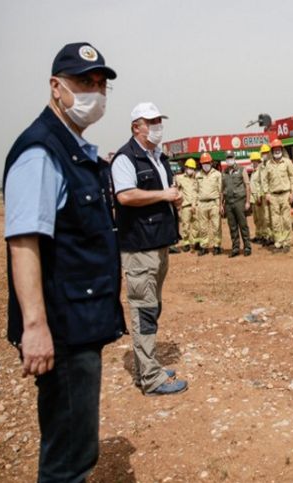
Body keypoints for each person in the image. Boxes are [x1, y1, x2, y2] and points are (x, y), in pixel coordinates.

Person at [3, 42, 125, 483]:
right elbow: (24, 242)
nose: (95, 93)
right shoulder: (41, 152)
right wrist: (35, 327)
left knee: (74, 444)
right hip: (62, 327)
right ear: (56, 87)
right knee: (68, 458)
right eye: (83, 83)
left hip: (79, 316)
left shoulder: (74, 148)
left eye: (100, 85)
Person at [112, 102, 188, 395]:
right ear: (136, 127)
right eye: (151, 121)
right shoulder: (125, 159)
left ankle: (149, 365)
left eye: (159, 120)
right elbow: (126, 196)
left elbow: (162, 193)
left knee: (153, 306)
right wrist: (163, 194)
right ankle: (151, 378)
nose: (157, 126)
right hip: (139, 247)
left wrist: (173, 199)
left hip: (159, 243)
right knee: (143, 309)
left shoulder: (159, 157)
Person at [263, 139, 293, 252]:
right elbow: (265, 180)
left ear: (281, 150)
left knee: (286, 220)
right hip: (273, 196)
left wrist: (292, 192)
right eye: (275, 149)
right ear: (272, 151)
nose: (277, 151)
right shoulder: (268, 164)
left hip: (285, 195)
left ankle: (286, 243)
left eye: (279, 149)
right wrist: (266, 193)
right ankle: (278, 243)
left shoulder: (287, 162)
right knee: (276, 221)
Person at [221, 150, 252, 257]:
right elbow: (222, 190)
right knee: (232, 226)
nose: (229, 159)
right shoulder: (224, 173)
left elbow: (247, 186)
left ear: (234, 158)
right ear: (226, 159)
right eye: (227, 158)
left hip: (240, 201)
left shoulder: (241, 170)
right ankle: (235, 248)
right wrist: (221, 204)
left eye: (231, 157)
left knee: (243, 225)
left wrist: (248, 202)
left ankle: (247, 247)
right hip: (228, 203)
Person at [196, 152, 223, 255]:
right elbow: (196, 191)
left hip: (214, 203)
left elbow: (220, 191)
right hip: (202, 204)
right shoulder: (198, 175)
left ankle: (217, 246)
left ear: (211, 163)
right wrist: (196, 204)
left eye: (207, 162)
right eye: (204, 163)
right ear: (201, 164)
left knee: (216, 226)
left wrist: (221, 205)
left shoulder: (217, 174)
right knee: (203, 227)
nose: (206, 164)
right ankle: (204, 246)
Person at [175, 158, 199, 252]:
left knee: (197, 225)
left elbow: (198, 191)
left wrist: (195, 204)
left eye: (192, 168)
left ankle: (196, 242)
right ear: (185, 168)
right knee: (186, 226)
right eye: (188, 167)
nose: (190, 169)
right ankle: (186, 243)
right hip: (185, 206)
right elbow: (176, 190)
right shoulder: (180, 178)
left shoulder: (197, 178)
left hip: (195, 205)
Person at [248, 151, 267, 244]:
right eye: (252, 161)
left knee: (261, 217)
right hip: (253, 197)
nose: (253, 163)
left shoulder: (260, 170)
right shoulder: (254, 171)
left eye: (254, 161)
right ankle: (258, 235)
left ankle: (264, 235)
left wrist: (259, 196)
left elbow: (261, 184)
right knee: (256, 218)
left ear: (258, 161)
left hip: (258, 197)